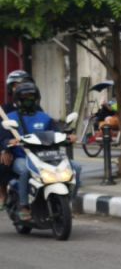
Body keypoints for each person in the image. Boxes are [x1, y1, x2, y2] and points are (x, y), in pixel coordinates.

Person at [4, 81, 82, 221]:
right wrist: (9, 142)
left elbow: (57, 131)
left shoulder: (44, 117)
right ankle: (24, 206)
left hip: (47, 156)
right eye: (25, 97)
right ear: (18, 99)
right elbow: (3, 138)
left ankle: (68, 203)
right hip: (24, 157)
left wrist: (68, 136)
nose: (29, 99)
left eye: (32, 96)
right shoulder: (10, 118)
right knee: (25, 171)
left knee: (76, 167)